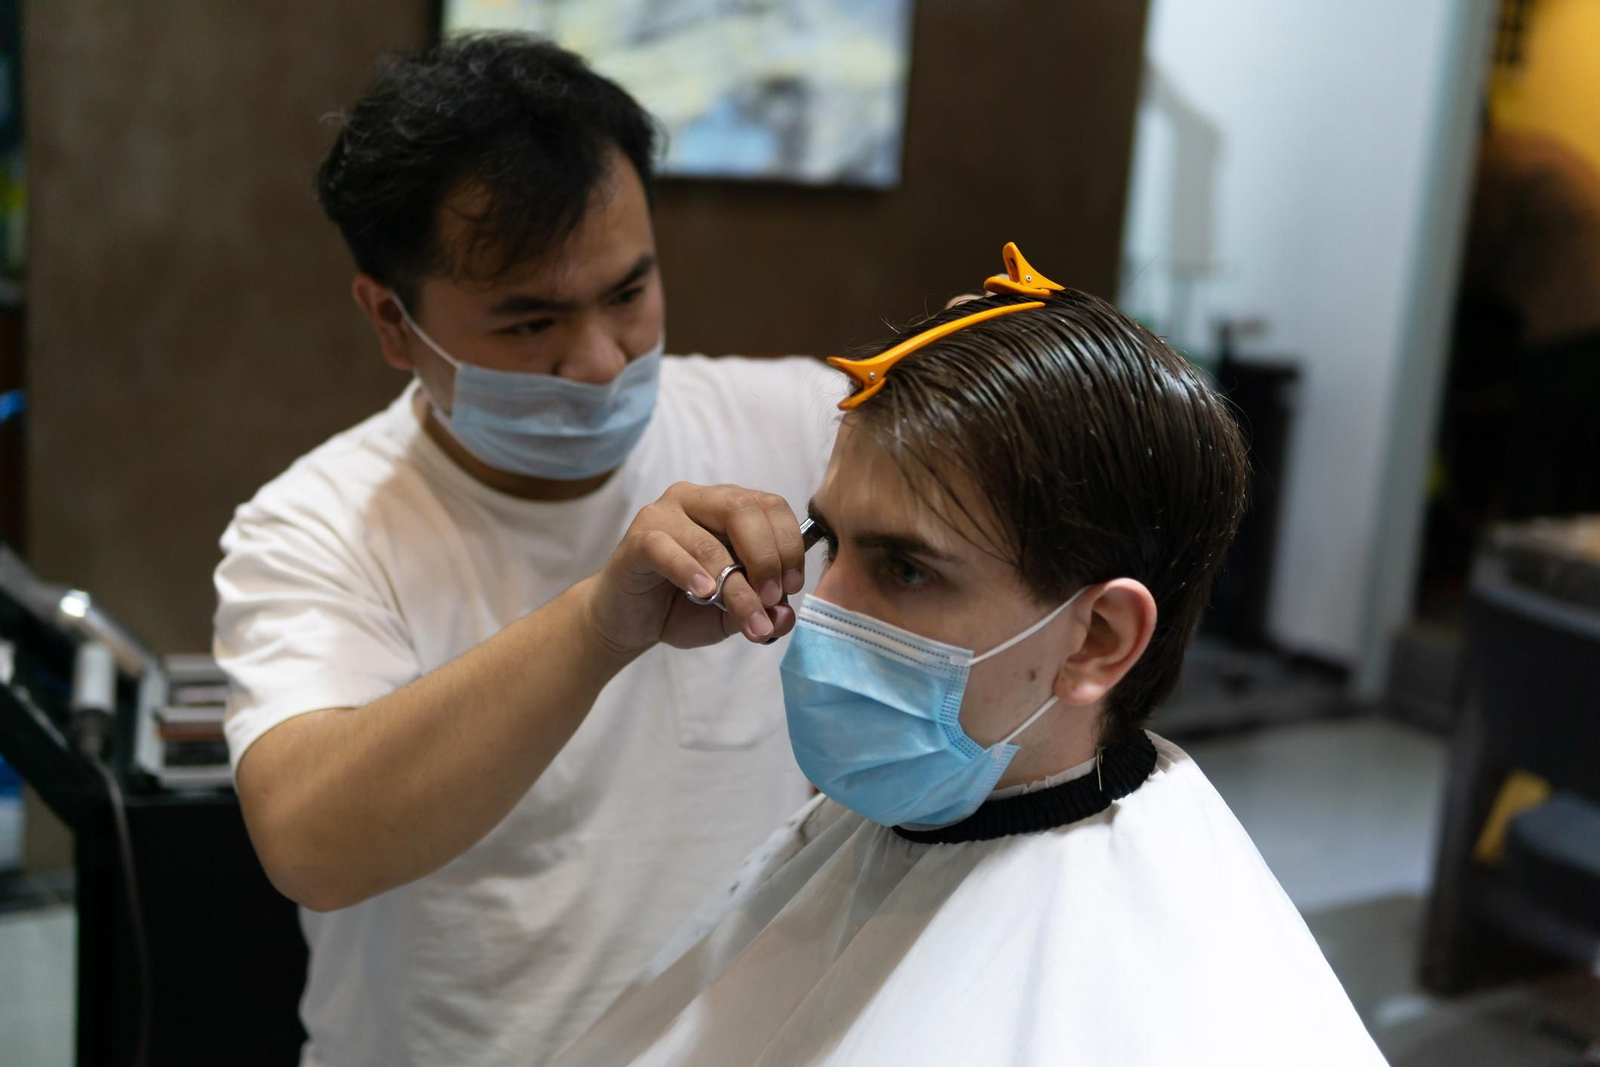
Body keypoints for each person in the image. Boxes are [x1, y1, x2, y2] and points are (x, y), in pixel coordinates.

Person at [554, 246, 1387, 1066]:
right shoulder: (882, 827)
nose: (820, 610)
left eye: (906, 568)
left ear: (1098, 639)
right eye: (831, 541)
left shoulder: (1184, 1010)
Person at [212, 35, 839, 1065]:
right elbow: (312, 840)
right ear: (392, 319)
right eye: (529, 320)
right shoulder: (315, 526)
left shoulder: (800, 426)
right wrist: (601, 622)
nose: (598, 361)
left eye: (628, 293)